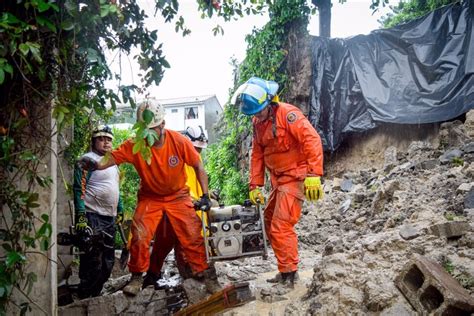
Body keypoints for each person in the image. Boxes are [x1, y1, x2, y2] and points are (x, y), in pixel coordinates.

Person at [78, 99, 219, 296]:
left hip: (178, 196)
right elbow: (114, 157)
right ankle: (137, 277)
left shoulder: (178, 141)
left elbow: (198, 166)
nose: (149, 135)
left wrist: (205, 195)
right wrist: (96, 165)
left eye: (153, 129)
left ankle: (206, 275)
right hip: (150, 197)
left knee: (192, 233)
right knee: (139, 234)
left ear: (162, 125)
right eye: (146, 130)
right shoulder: (137, 144)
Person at [232, 77, 324, 289]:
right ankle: (285, 269)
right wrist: (255, 185)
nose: (256, 116)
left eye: (259, 111)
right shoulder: (257, 122)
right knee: (268, 221)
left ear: (269, 104)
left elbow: (312, 139)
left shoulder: (288, 115)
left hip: (296, 176)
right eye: (253, 113)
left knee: (281, 226)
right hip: (279, 180)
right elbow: (257, 154)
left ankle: (289, 276)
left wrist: (313, 174)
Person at [144, 125, 209, 287]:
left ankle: (189, 273)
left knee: (184, 241)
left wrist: (206, 194)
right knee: (169, 242)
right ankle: (156, 275)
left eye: (200, 149)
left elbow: (195, 181)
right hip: (175, 205)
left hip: (188, 206)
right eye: (196, 148)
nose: (198, 151)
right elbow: (177, 182)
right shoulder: (178, 153)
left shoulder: (195, 158)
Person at [73, 125, 124, 299]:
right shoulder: (87, 160)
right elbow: (79, 188)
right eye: (101, 139)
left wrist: (120, 208)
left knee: (108, 262)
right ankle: (84, 298)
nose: (106, 142)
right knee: (92, 260)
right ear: (94, 141)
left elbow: (115, 187)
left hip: (109, 217)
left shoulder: (113, 162)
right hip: (92, 215)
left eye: (109, 139)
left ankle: (94, 296)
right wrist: (80, 216)